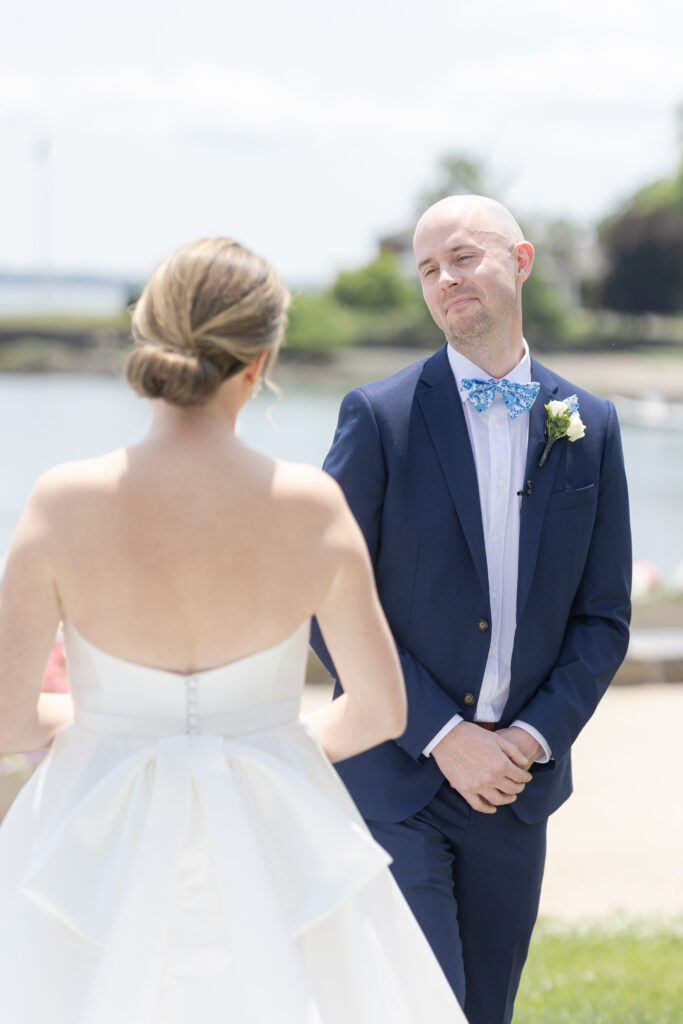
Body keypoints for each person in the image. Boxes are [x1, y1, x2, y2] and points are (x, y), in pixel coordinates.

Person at [0, 238, 466, 1022]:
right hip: (274, 832)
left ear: (148, 341)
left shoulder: (60, 501)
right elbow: (381, 711)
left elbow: (9, 717)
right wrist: (256, 746)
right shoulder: (310, 505)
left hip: (90, 833)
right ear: (261, 358)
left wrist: (115, 731)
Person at [312, 195, 632, 1024]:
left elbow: (601, 620)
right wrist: (444, 737)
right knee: (421, 1008)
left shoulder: (587, 426)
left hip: (513, 792)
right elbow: (325, 602)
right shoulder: (376, 419)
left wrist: (524, 742)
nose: (444, 280)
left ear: (520, 262)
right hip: (396, 777)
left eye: (462, 257)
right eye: (427, 269)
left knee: (486, 1009)